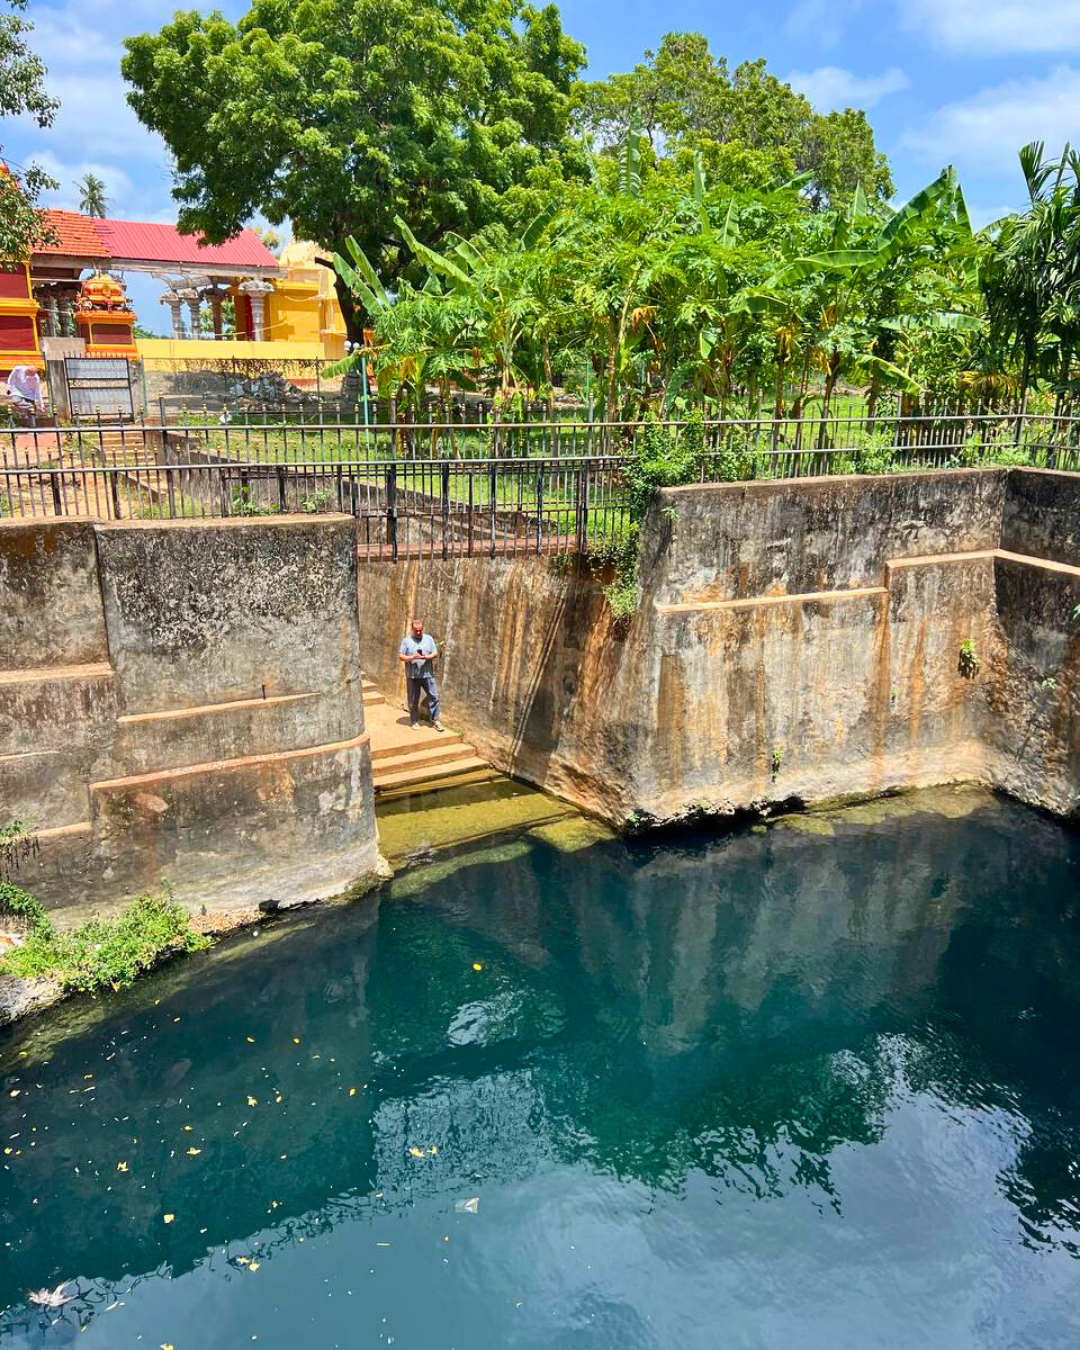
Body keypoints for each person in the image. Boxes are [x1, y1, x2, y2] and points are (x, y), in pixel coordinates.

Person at [398, 618, 443, 731]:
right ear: (412, 630)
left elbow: (435, 653)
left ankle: (435, 720)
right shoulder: (406, 641)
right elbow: (401, 656)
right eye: (416, 630)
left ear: (423, 629)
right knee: (413, 699)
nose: (418, 632)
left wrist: (428, 657)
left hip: (427, 674)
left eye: (420, 630)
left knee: (434, 696)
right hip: (413, 676)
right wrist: (412, 657)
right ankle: (414, 721)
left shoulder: (429, 639)